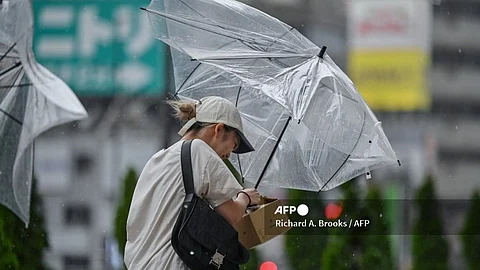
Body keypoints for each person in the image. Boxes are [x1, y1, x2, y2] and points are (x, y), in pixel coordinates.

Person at [124, 96, 261, 269]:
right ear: (218, 129)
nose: (228, 155)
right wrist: (245, 198)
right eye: (233, 145)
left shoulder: (157, 159)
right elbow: (231, 215)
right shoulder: (200, 151)